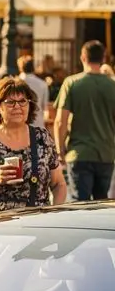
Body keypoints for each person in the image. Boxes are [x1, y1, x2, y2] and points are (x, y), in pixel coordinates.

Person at [0, 75, 66, 220]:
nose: (17, 107)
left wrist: (53, 215)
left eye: (22, 101)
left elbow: (59, 184)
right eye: (10, 102)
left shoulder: (42, 138)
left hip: (36, 224)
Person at [55, 40, 115, 202]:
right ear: (103, 58)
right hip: (106, 153)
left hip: (79, 152)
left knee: (80, 205)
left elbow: (60, 121)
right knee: (102, 203)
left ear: (82, 57)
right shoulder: (112, 85)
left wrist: (59, 150)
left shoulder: (72, 83)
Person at [17, 55, 50, 129]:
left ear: (20, 67)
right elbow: (45, 107)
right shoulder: (43, 84)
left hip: (18, 125)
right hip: (38, 124)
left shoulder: (15, 83)